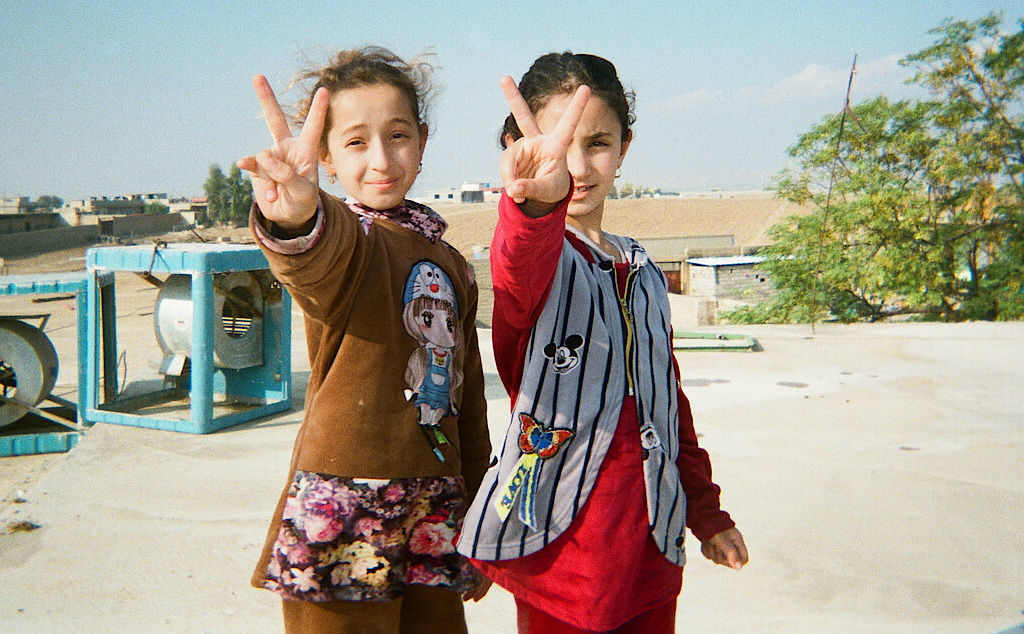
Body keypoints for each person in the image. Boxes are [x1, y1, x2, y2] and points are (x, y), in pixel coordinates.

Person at [457, 52, 748, 634]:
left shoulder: (639, 266)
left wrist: (706, 510)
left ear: (625, 148)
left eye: (597, 143)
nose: (579, 166)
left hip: (650, 543)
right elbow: (517, 262)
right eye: (558, 146)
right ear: (522, 149)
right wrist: (537, 203)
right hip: (562, 554)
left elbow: (667, 401)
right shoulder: (540, 260)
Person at [237, 47, 492, 634]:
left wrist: (478, 511)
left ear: (422, 142)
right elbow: (317, 257)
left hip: (434, 508)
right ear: (324, 155)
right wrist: (297, 217)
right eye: (355, 142)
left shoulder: (450, 261)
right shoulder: (351, 241)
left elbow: (468, 401)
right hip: (344, 509)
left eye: (398, 135)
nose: (382, 158)